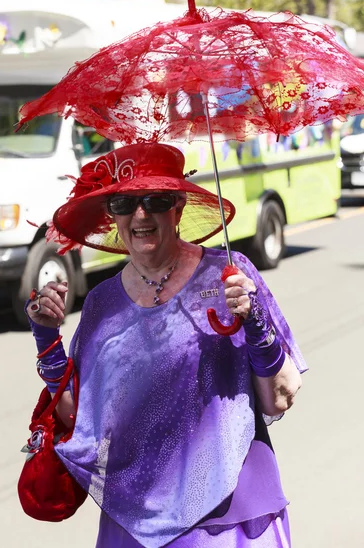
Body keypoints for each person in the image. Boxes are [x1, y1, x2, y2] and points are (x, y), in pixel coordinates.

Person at [26, 142, 306, 548]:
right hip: (135, 519)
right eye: (124, 202)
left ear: (177, 207)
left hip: (227, 517)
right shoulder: (102, 303)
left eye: (155, 200)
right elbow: (78, 416)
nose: (140, 214)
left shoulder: (230, 276)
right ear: (112, 215)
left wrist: (255, 320)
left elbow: (278, 399)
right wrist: (46, 336)